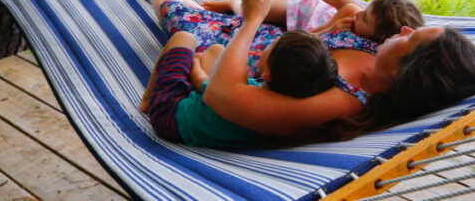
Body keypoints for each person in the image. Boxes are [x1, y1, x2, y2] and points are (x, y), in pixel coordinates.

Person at [121, 0, 475, 139]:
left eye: (411, 39)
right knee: (203, 14)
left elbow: (221, 97)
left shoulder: (342, 101)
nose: (406, 31)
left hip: (237, 61)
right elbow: (364, 16)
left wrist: (251, 21)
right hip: (265, 44)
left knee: (183, 18)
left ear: (406, 71)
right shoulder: (381, 53)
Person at [141, 29, 338, 148]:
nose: (266, 47)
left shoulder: (245, 96)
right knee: (217, 51)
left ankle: (148, 100)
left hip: (170, 114)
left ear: (268, 72)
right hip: (211, 119)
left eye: (271, 46)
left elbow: (206, 86)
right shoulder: (279, 112)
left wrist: (196, 66)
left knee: (184, 38)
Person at [201, 0, 424, 44]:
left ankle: (235, 7)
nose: (358, 13)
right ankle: (233, 4)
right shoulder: (350, 12)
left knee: (256, 12)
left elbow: (309, 41)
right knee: (257, 7)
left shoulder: (371, 49)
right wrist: (331, 28)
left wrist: (331, 32)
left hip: (307, 26)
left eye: (365, 18)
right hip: (307, 9)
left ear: (379, 38)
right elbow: (313, 32)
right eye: (364, 8)